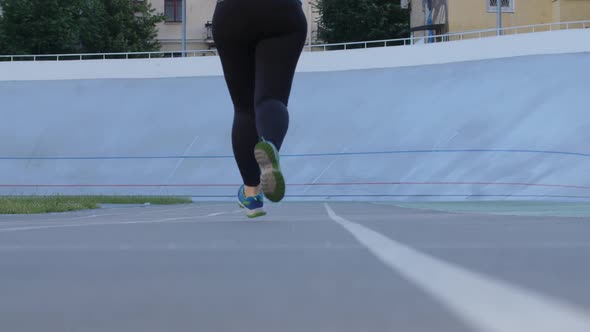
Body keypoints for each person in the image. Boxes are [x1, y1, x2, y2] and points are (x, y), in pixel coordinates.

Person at [212, 0, 308, 218]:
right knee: (271, 99)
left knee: (244, 109)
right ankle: (269, 145)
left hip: (231, 13)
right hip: (282, 12)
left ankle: (252, 193)